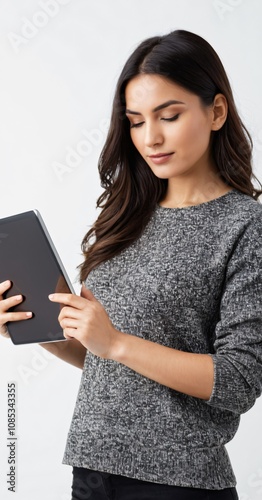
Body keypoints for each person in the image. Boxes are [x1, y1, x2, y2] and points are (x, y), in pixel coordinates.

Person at [1, 29, 262, 500]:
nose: (150, 137)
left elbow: (239, 381)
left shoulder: (246, 226)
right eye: (136, 121)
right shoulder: (125, 215)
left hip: (178, 484)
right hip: (92, 473)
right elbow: (107, 360)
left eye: (169, 115)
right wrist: (36, 328)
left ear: (216, 111)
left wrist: (116, 342)